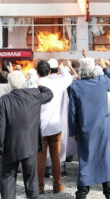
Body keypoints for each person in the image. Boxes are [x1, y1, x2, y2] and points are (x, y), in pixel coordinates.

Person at [0, 71, 54, 199]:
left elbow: (1, 127)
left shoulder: (3, 100)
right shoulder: (34, 95)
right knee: (31, 178)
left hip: (11, 146)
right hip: (30, 144)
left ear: (9, 84)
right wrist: (40, 86)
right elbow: (49, 94)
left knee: (8, 178)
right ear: (24, 82)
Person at [69, 57, 110, 199]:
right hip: (102, 128)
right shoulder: (102, 81)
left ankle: (82, 193)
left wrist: (73, 131)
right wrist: (105, 67)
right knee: (104, 158)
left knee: (85, 159)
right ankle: (109, 193)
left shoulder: (76, 86)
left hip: (85, 128)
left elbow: (72, 111)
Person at [36, 59, 73, 194]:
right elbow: (68, 77)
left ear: (37, 71)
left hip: (39, 127)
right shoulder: (57, 83)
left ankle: (39, 187)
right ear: (50, 71)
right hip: (55, 126)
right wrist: (62, 68)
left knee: (40, 157)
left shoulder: (34, 82)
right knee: (55, 157)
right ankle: (57, 186)